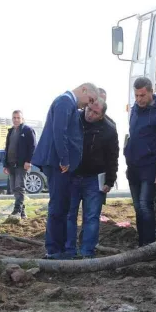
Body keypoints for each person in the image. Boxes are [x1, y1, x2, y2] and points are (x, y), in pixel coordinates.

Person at [31, 83, 100, 259]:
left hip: (61, 164)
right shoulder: (65, 102)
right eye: (90, 100)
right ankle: (54, 250)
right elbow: (59, 132)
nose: (88, 105)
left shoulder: (68, 103)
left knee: (62, 207)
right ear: (84, 90)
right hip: (58, 164)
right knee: (58, 207)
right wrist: (65, 160)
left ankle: (60, 249)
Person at [125, 77, 156, 247]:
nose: (139, 99)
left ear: (151, 92)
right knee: (138, 207)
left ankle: (149, 244)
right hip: (133, 167)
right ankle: (142, 242)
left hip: (150, 167)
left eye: (142, 95)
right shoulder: (134, 111)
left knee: (145, 206)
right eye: (136, 95)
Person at [65, 102, 119, 259]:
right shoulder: (74, 120)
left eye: (95, 113)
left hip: (94, 179)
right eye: (89, 110)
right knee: (69, 214)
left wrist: (110, 180)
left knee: (91, 216)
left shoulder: (108, 130)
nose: (90, 114)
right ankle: (69, 251)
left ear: (101, 115)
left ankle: (87, 252)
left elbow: (112, 156)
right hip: (72, 175)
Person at [3, 110, 37, 218]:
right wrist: (5, 164)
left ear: (22, 119)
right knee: (13, 188)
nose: (16, 120)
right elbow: (7, 148)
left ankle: (16, 210)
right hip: (11, 165)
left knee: (19, 187)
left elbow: (33, 147)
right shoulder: (10, 131)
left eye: (18, 118)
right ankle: (22, 213)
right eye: (14, 118)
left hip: (22, 165)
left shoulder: (27, 130)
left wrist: (29, 161)